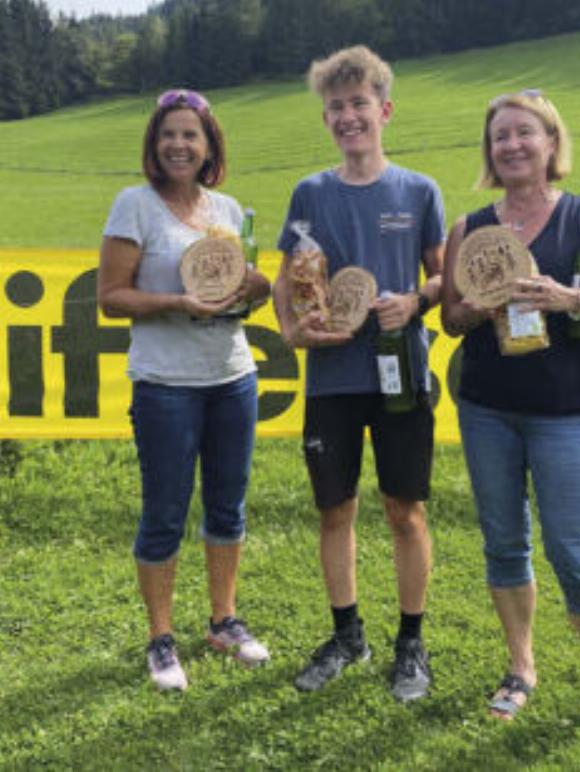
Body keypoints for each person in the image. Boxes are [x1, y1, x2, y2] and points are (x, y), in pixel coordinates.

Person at [441, 90, 580, 753]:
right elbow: (450, 318)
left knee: (575, 553)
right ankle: (521, 667)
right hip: (487, 411)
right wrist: (479, 305)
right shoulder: (470, 228)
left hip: (566, 413)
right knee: (504, 544)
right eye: (500, 136)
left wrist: (573, 298)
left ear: (550, 143)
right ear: (490, 150)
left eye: (523, 134)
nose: (511, 145)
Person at [272, 46, 445, 701]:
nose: (348, 116)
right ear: (326, 119)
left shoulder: (419, 189)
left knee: (406, 512)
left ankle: (411, 644)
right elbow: (289, 275)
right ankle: (348, 636)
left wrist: (417, 301)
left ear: (385, 110)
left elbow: (442, 274)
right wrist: (290, 330)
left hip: (402, 375)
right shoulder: (309, 194)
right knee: (334, 512)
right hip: (332, 381)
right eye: (336, 107)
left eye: (359, 104)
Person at [97, 89, 272, 691]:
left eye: (190, 136)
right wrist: (177, 301)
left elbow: (241, 292)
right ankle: (161, 638)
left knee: (228, 506)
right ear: (154, 144)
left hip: (232, 377)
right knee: (165, 513)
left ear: (208, 147)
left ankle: (223, 621)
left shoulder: (227, 208)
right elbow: (111, 296)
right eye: (169, 134)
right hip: (166, 385)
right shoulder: (134, 206)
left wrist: (260, 287)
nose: (179, 144)